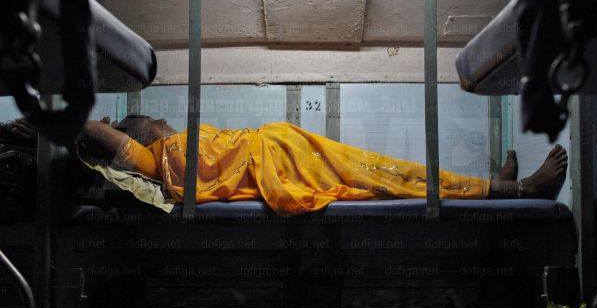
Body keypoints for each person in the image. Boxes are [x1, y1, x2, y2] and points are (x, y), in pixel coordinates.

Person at [77, 115, 568, 215]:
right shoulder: (156, 161)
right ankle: (518, 190)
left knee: (389, 173)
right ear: (141, 136)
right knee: (390, 179)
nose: (165, 121)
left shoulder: (174, 150)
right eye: (154, 121)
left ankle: (489, 187)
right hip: (288, 166)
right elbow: (102, 138)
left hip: (289, 150)